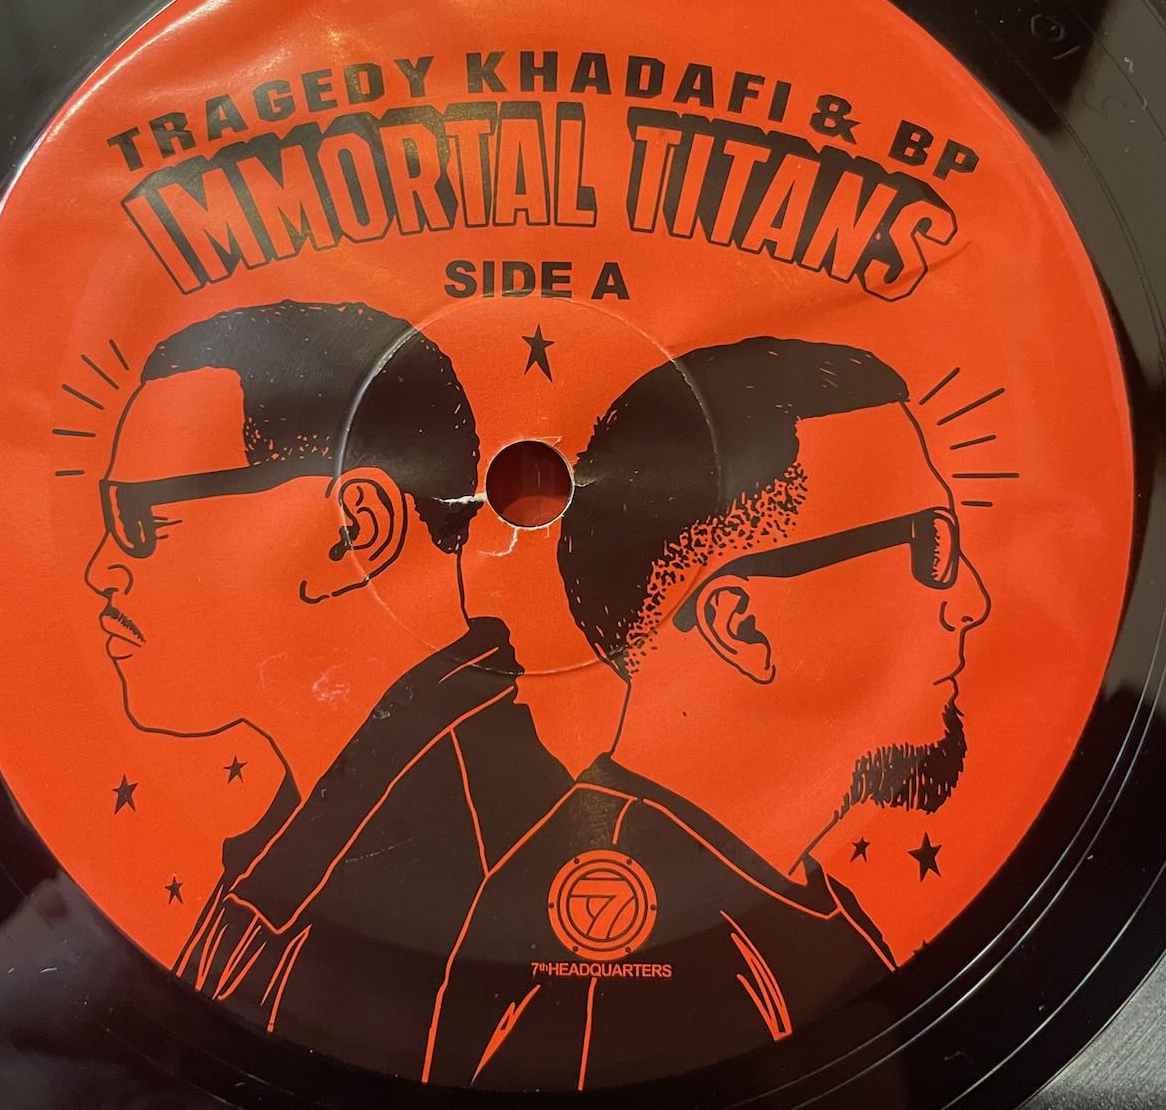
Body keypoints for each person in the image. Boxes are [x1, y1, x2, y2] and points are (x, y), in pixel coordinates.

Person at [424, 337, 990, 1090]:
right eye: (931, 547)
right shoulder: (622, 957)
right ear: (741, 625)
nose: (971, 601)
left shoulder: (765, 896)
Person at [82, 300, 569, 1077]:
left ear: (354, 531)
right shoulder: (301, 846)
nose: (100, 570)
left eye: (141, 523)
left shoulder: (486, 873)